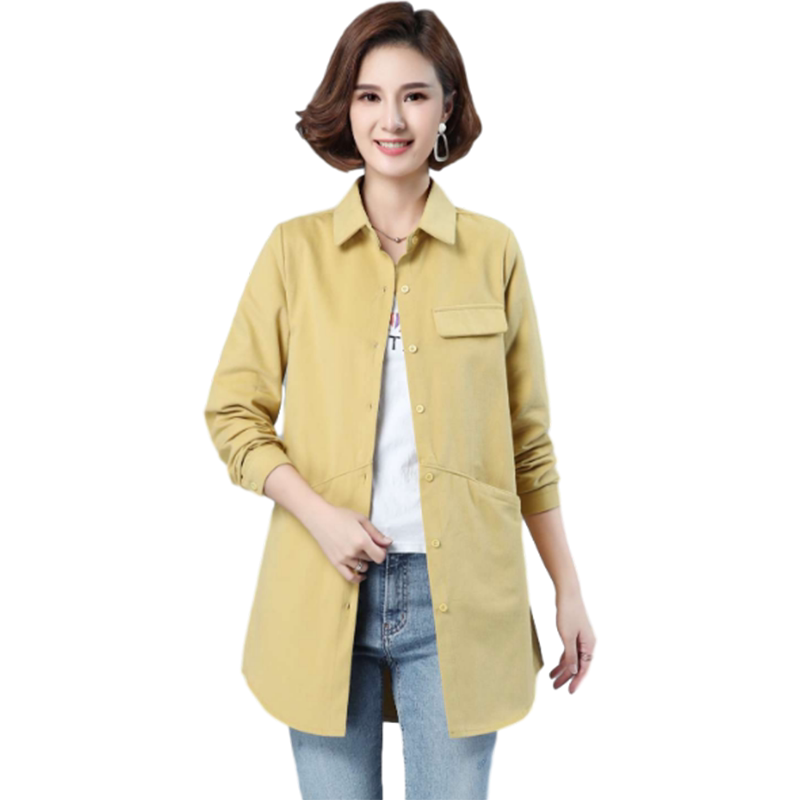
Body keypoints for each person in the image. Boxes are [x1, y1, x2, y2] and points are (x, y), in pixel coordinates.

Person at [204, 3, 597, 799]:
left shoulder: (493, 254)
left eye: (414, 96)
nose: (392, 120)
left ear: (447, 108)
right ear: (346, 108)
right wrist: (321, 516)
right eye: (371, 96)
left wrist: (568, 586)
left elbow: (528, 440)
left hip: (467, 598)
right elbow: (233, 416)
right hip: (319, 590)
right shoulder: (293, 254)